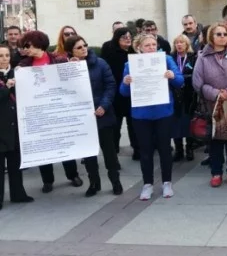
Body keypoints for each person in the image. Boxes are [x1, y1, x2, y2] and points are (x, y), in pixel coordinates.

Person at [120, 34, 184, 200]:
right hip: (141, 115)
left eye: (154, 44)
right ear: (139, 47)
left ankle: (167, 183)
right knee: (145, 150)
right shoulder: (130, 64)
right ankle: (147, 184)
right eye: (147, 45)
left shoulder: (166, 60)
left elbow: (180, 81)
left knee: (164, 149)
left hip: (163, 112)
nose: (151, 48)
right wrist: (126, 83)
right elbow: (123, 92)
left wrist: (173, 76)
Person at [18, 31, 83, 193]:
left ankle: (72, 174)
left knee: (64, 143)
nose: (25, 49)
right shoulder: (24, 64)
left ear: (39, 44)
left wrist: (74, 67)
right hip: (39, 112)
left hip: (58, 108)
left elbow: (71, 81)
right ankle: (47, 180)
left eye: (28, 45)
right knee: (43, 146)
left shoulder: (58, 59)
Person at [63, 36, 123, 197]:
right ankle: (94, 183)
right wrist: (70, 70)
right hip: (82, 118)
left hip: (103, 115)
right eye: (79, 47)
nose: (84, 49)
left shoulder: (101, 63)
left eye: (85, 45)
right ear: (70, 51)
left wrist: (103, 105)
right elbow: (63, 90)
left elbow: (110, 85)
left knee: (109, 153)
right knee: (88, 154)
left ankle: (115, 182)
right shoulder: (66, 67)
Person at [193, 22, 227, 188]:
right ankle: (216, 172)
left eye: (225, 34)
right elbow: (197, 83)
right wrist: (216, 93)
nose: (222, 37)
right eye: (219, 34)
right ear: (211, 36)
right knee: (215, 140)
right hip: (213, 105)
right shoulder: (203, 57)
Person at [0, 45, 34, 210]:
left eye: (7, 55)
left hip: (15, 127)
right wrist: (6, 87)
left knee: (15, 164)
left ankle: (18, 194)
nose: (4, 58)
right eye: (1, 55)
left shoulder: (17, 73)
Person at [101, 27, 141, 160]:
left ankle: (137, 149)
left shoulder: (135, 53)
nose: (128, 39)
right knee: (115, 126)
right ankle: (113, 152)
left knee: (134, 124)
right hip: (115, 95)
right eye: (124, 37)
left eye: (130, 36)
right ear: (117, 39)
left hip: (132, 94)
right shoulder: (110, 52)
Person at [170, 35, 197, 162]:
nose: (179, 45)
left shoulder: (193, 57)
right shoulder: (171, 58)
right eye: (177, 43)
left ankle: (189, 148)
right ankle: (179, 149)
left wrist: (183, 78)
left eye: (181, 42)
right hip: (175, 94)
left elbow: (196, 74)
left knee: (188, 121)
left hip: (189, 95)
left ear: (187, 44)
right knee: (175, 122)